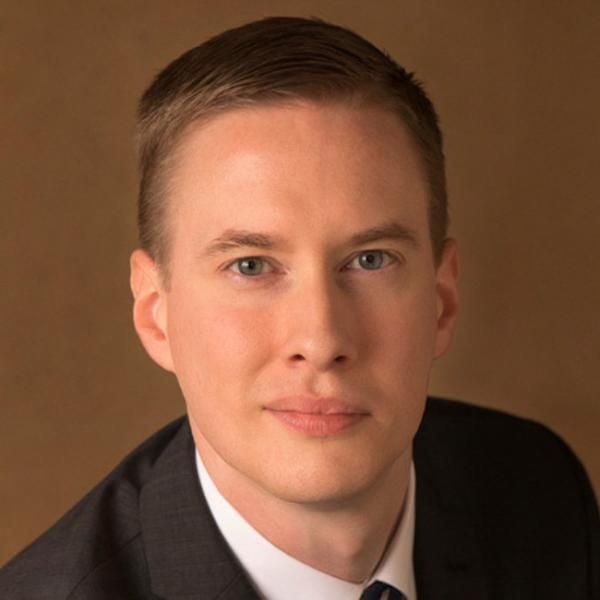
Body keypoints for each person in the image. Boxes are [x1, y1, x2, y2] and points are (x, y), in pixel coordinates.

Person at [0, 16, 598, 600]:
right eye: (250, 266)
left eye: (370, 259)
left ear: (441, 300)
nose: (320, 337)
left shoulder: (538, 493)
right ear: (156, 312)